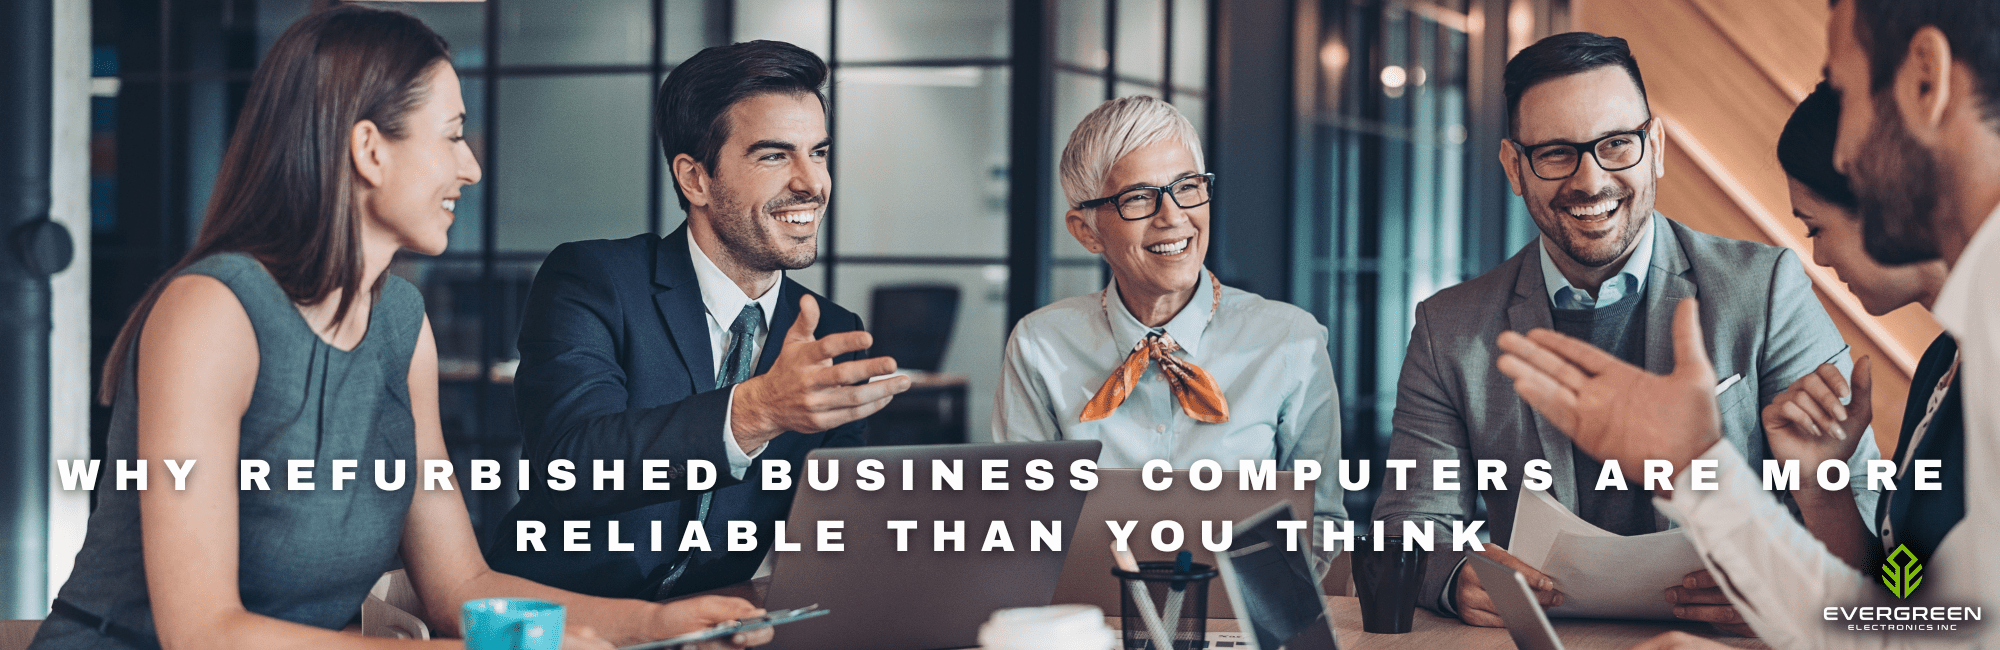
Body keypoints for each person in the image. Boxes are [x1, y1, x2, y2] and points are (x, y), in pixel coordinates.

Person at [31, 7, 765, 650]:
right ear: (369, 149)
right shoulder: (213, 311)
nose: (470, 167)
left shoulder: (399, 324)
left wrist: (656, 625)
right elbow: (203, 633)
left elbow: (461, 587)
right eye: (452, 136)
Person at [1496, 1, 2000, 646]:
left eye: (1844, 94)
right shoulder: (1966, 345)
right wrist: (1697, 466)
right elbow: (1922, 626)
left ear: (1926, 81)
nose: (1841, 150)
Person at [1370, 31, 1880, 633]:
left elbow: (1860, 503)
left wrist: (1787, 585)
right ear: (1514, 167)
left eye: (1616, 144)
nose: (1590, 181)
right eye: (1555, 153)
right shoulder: (1448, 328)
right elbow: (1408, 524)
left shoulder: (1766, 289)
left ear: (1655, 147)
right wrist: (1455, 576)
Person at [486, 40, 912, 601]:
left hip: (716, 623)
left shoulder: (830, 333)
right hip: (557, 617)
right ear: (695, 179)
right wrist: (758, 410)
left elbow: (833, 529)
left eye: (819, 153)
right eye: (774, 156)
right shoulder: (595, 280)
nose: (812, 183)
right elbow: (570, 466)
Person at [993, 95, 1345, 528]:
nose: (1173, 217)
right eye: (1139, 197)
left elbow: (1322, 523)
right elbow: (1023, 525)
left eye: (1187, 187)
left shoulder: (1291, 341)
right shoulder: (1040, 346)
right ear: (1087, 232)